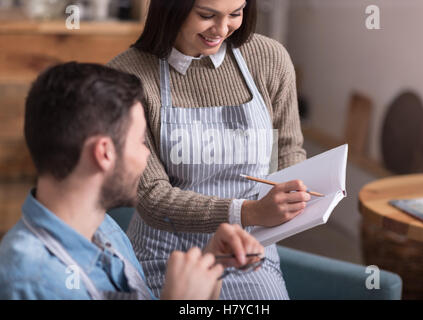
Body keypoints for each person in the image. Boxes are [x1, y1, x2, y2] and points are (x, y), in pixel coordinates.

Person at [0, 62, 264, 300]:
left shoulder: (105, 229)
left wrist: (209, 269)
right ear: (104, 153)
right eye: (140, 142)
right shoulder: (32, 281)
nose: (147, 155)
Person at [108, 0, 310, 299]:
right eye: (206, 15)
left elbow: (289, 148)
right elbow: (150, 196)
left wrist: (293, 191)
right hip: (165, 256)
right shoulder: (126, 75)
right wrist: (249, 212)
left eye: (235, 13)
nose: (222, 28)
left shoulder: (269, 58)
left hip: (248, 252)